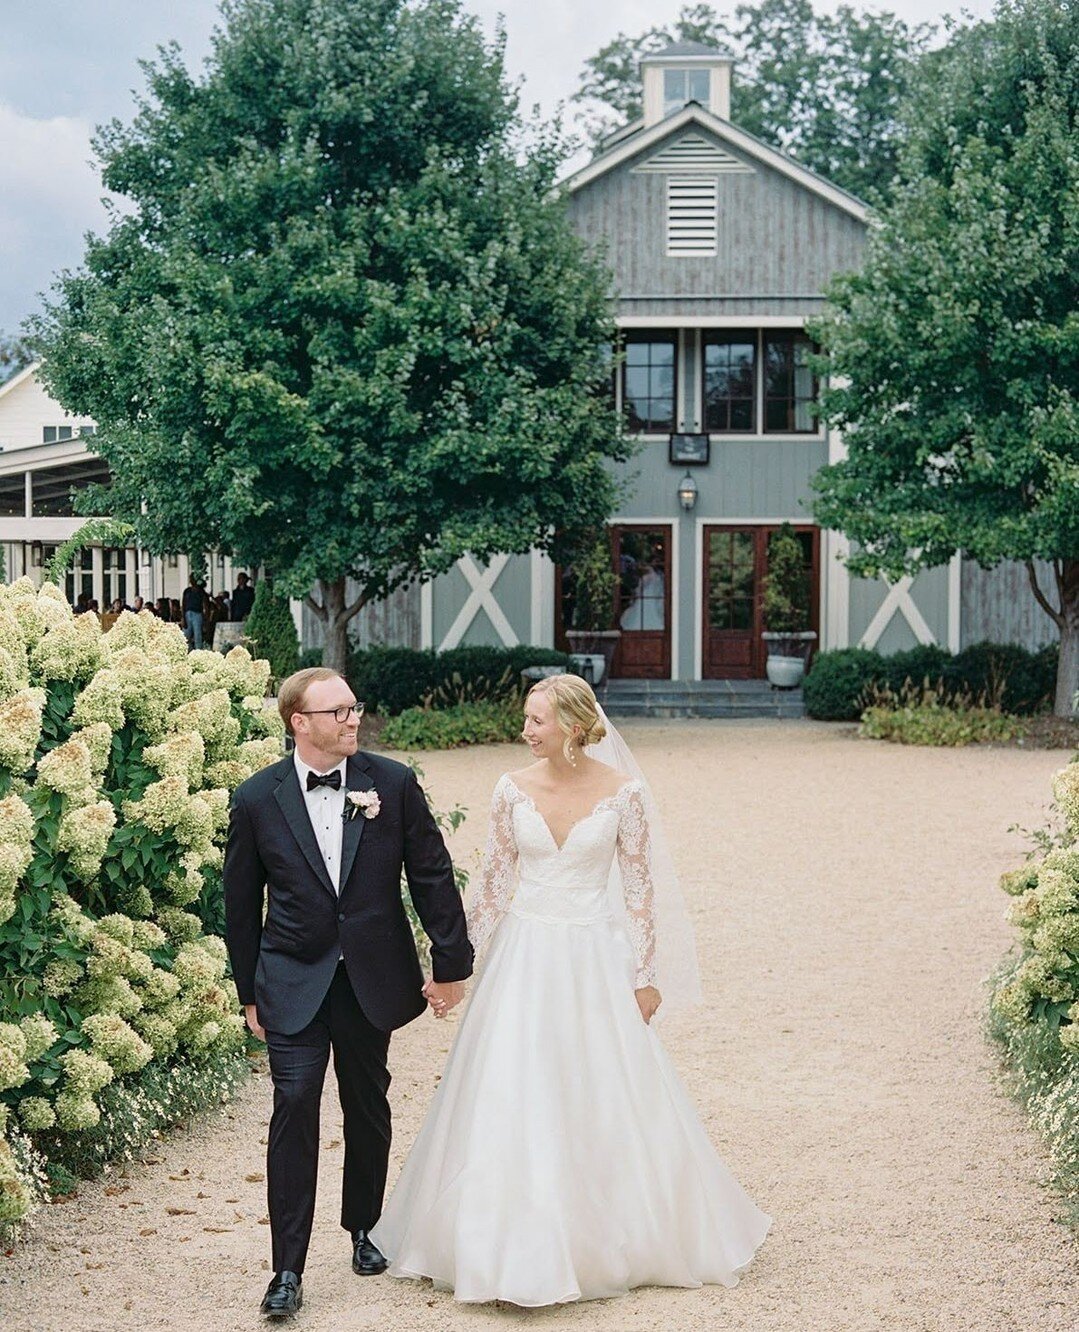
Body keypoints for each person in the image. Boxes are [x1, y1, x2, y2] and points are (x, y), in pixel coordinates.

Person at [370, 673, 771, 1306]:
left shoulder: (624, 794)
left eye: (537, 721)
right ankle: (503, 1240)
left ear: (575, 729)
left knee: (600, 1086)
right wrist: (454, 967)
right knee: (513, 1086)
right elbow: (495, 882)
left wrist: (644, 976)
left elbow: (640, 891)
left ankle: (615, 1232)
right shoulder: (511, 789)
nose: (524, 731)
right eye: (526, 719)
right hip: (523, 958)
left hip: (592, 956)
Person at [223, 667, 473, 1319]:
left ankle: (363, 1227)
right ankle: (286, 1269)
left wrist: (450, 963)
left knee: (367, 1102)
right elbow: (240, 903)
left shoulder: (390, 784)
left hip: (370, 977)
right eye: (337, 711)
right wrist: (248, 989)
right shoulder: (256, 799)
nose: (352, 719)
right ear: (298, 723)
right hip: (291, 978)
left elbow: (431, 876)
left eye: (354, 708)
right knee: (294, 1104)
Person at [181, 575, 209, 649]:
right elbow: (183, 604)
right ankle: (187, 652)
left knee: (198, 636)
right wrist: (183, 617)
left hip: (197, 614)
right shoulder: (187, 591)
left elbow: (205, 606)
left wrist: (205, 620)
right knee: (185, 636)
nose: (191, 581)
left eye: (192, 579)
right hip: (187, 613)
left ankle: (198, 653)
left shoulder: (201, 591)